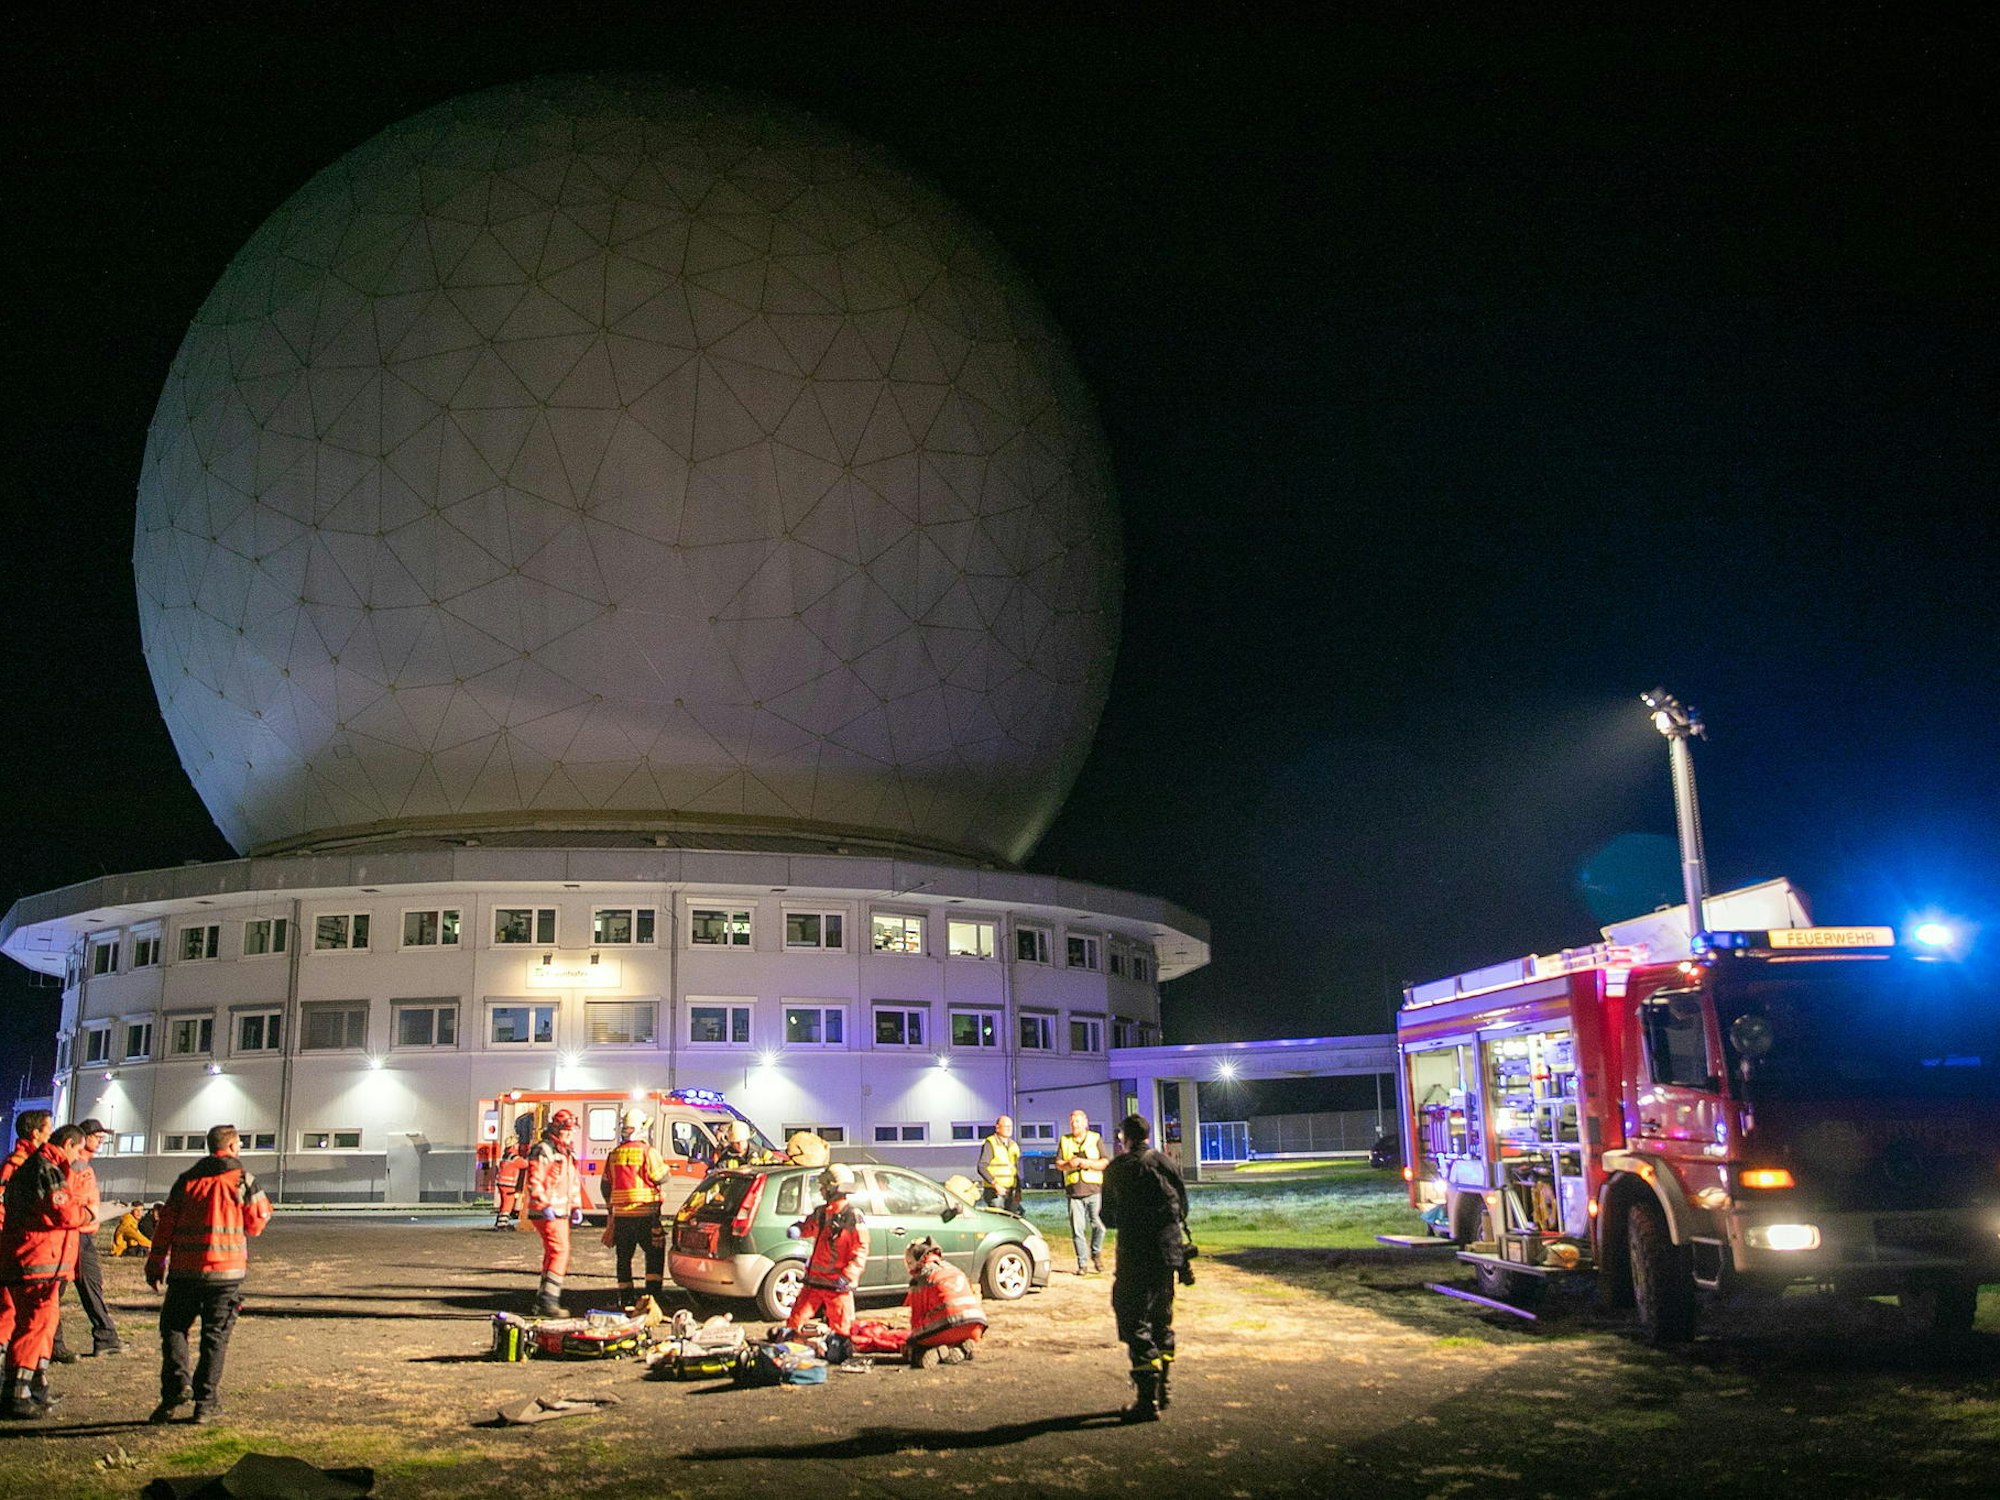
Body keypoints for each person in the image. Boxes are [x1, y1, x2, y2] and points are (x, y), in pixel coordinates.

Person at [145, 1124, 273, 1425]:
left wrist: (155, 1261)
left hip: (184, 1271)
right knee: (214, 1337)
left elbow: (165, 1225)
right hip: (225, 1274)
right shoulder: (243, 1181)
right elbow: (255, 1225)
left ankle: (176, 1388)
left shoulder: (186, 1181)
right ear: (231, 1147)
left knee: (174, 1329)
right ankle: (206, 1403)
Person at [1100, 1113, 1189, 1424]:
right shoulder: (1165, 1162)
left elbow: (1107, 1217)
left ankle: (1145, 1399)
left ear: (1124, 1138)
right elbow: (1184, 1207)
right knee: (1161, 1320)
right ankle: (1163, 1388)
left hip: (1134, 1255)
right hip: (1166, 1256)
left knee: (1134, 1320)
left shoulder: (1116, 1169)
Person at [0, 1124, 93, 1419]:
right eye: (78, 1149)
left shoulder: (40, 1166)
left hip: (41, 1261)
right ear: (67, 1144)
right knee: (33, 1327)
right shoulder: (46, 1168)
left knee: (43, 1326)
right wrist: (88, 1212)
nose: (80, 1156)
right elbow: (62, 1212)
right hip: (37, 1260)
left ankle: (34, 1388)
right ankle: (17, 1394)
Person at [0, 1110, 55, 1386]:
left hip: (19, 1246)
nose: (51, 1134)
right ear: (35, 1133)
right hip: (14, 1247)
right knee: (9, 1311)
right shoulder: (19, 1165)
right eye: (48, 1129)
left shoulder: (32, 1163)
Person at [784, 1164, 869, 1336]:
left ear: (833, 1188)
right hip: (815, 1281)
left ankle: (837, 1352)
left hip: (837, 1283)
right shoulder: (822, 1213)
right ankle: (789, 1349)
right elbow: (809, 1227)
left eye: (823, 1187)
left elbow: (861, 1248)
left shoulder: (852, 1216)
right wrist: (799, 1229)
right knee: (795, 1323)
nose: (821, 1190)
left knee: (841, 1329)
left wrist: (848, 1276)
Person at [603, 1107, 669, 1308]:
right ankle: (652, 1297)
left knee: (624, 1258)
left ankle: (625, 1297)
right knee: (654, 1254)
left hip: (622, 1217)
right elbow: (661, 1176)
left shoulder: (614, 1154)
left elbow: (605, 1184)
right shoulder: (648, 1152)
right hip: (646, 1215)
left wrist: (611, 1209)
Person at [66, 1119, 122, 1355]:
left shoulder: (83, 1164)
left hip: (82, 1234)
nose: (101, 1141)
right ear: (84, 1137)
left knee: (75, 1286)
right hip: (78, 1234)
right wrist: (84, 1217)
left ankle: (105, 1336)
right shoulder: (78, 1165)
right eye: (97, 1136)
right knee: (86, 1284)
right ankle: (105, 1336)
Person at [522, 1109, 583, 1317]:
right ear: (556, 1129)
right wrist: (542, 1203)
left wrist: (576, 1206)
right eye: (566, 1131)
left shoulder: (566, 1152)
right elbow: (534, 1179)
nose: (570, 1134)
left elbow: (573, 1183)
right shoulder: (544, 1150)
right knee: (560, 1252)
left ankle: (543, 1299)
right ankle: (549, 1302)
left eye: (571, 1131)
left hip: (561, 1211)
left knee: (553, 1253)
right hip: (548, 1211)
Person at [903, 1236, 986, 1367]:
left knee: (913, 1346)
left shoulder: (920, 1279)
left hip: (946, 1325)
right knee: (949, 1330)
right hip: (975, 1325)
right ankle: (960, 1349)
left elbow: (916, 1321)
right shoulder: (954, 1269)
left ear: (919, 1261)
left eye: (909, 1263)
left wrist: (911, 1341)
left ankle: (936, 1350)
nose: (908, 1268)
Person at [1055, 1109, 1110, 1275]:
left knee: (1099, 1225)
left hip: (1094, 1189)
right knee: (1077, 1230)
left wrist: (1087, 1163)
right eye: (1072, 1122)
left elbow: (1105, 1161)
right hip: (1074, 1192)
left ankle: (1096, 1252)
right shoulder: (1064, 1140)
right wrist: (1068, 1164)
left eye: (1077, 1122)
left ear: (1085, 1123)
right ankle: (1082, 1264)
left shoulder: (1095, 1138)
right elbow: (1058, 1163)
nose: (1074, 1125)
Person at [492, 1115, 533, 1230]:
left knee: (504, 1204)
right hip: (508, 1185)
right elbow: (526, 1164)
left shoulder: (507, 1156)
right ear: (514, 1145)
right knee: (507, 1205)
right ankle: (503, 1224)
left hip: (502, 1184)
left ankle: (499, 1222)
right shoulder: (514, 1158)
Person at [977, 1115, 1022, 1213]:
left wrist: (1018, 1191)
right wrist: (995, 1184)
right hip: (994, 1191)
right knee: (999, 1216)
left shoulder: (1014, 1145)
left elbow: (1017, 1170)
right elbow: (982, 1167)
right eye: (1006, 1126)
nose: (1009, 1129)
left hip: (1011, 1191)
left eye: (1010, 1126)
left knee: (1016, 1216)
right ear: (997, 1128)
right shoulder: (990, 1143)